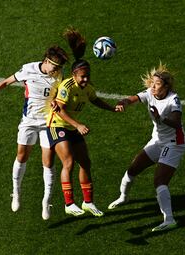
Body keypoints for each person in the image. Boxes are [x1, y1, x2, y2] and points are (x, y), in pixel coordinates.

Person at [0, 45, 70, 220]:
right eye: (55, 67)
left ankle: (46, 200)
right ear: (46, 62)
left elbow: (61, 97)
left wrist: (57, 104)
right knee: (21, 156)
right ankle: (16, 192)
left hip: (48, 123)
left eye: (59, 69)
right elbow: (6, 82)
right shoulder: (28, 69)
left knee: (48, 161)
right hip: (28, 122)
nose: (57, 71)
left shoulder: (59, 76)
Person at [46, 28, 122, 217]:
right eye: (82, 76)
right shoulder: (67, 87)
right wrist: (78, 125)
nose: (86, 79)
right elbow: (60, 110)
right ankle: (68, 203)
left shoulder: (88, 87)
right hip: (57, 125)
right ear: (74, 75)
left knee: (85, 163)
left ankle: (88, 202)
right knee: (69, 162)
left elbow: (95, 99)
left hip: (72, 126)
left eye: (87, 76)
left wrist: (112, 108)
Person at [108, 63, 185, 232]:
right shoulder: (150, 93)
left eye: (157, 84)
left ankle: (169, 220)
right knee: (132, 169)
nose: (152, 86)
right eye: (152, 83)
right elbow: (133, 98)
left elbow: (176, 123)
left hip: (174, 143)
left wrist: (160, 118)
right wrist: (123, 102)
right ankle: (123, 197)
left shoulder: (173, 100)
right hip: (157, 141)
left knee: (159, 181)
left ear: (166, 86)